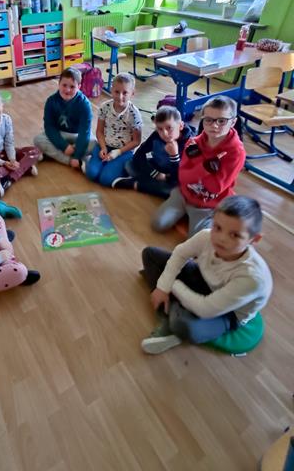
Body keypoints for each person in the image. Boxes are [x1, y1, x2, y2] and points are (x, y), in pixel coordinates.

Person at [140, 195, 272, 354]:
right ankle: (169, 312)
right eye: (217, 227)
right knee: (150, 254)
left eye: (235, 235)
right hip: (205, 280)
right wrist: (163, 287)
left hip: (229, 312)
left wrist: (170, 285)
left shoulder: (252, 278)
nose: (221, 238)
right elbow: (180, 254)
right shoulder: (205, 236)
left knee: (184, 325)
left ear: (254, 239)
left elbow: (205, 309)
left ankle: (168, 318)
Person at [152, 96, 246, 237]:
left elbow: (215, 187)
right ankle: (184, 210)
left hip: (209, 204)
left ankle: (204, 216)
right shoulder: (193, 143)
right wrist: (204, 168)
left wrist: (194, 169)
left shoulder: (236, 152)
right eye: (208, 120)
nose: (214, 126)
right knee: (157, 225)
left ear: (233, 122)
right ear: (202, 120)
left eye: (221, 121)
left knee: (196, 240)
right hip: (184, 194)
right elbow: (183, 176)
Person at [112, 105, 194, 196]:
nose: (164, 134)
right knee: (129, 164)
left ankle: (136, 184)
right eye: (160, 129)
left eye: (169, 128)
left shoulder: (191, 143)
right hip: (157, 167)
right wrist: (155, 173)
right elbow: (139, 154)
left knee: (175, 190)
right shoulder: (156, 135)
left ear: (181, 126)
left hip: (175, 175)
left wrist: (174, 156)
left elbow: (184, 175)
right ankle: (151, 184)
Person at [0, 89, 41, 196]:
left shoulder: (7, 119)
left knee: (35, 151)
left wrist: (12, 159)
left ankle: (9, 179)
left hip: (5, 153)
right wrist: (4, 163)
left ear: (2, 105)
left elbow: (9, 142)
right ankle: (24, 168)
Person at [84, 73, 142, 186]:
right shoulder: (104, 107)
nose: (120, 96)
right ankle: (98, 163)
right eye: (117, 92)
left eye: (125, 93)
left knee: (105, 179)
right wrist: (103, 147)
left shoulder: (134, 114)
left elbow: (136, 141)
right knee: (91, 174)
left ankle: (125, 169)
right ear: (111, 90)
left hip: (124, 151)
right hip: (105, 146)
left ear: (132, 93)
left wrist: (118, 152)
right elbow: (99, 131)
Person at [33, 68, 96, 169]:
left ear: (79, 87)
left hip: (77, 135)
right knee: (38, 140)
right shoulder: (51, 101)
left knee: (95, 144)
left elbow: (84, 132)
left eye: (72, 87)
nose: (67, 90)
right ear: (59, 84)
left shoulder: (85, 104)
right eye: (64, 85)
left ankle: (52, 154)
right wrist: (64, 146)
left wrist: (77, 155)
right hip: (60, 133)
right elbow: (49, 127)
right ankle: (70, 160)